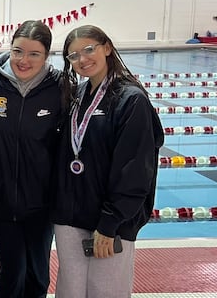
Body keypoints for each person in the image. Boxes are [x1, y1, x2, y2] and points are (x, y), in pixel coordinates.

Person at [53, 25, 163, 297]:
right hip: (71, 216)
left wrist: (110, 222)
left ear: (107, 48)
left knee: (106, 291)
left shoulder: (131, 100)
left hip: (109, 221)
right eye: (73, 55)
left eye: (88, 49)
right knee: (70, 291)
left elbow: (136, 169)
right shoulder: (77, 95)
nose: (82, 59)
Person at [0, 21, 62, 298]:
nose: (24, 60)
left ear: (46, 55)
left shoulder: (60, 87)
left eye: (34, 54)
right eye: (18, 51)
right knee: (13, 269)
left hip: (42, 202)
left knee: (37, 274)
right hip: (0, 200)